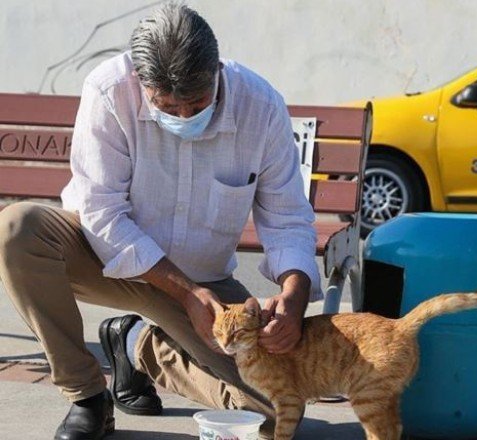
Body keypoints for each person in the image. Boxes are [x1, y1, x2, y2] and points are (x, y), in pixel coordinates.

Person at [0, 3, 321, 439]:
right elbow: (102, 211)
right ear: (141, 81)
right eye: (167, 106)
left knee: (274, 411)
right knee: (18, 229)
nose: (184, 117)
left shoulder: (260, 106)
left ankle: (136, 346)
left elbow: (287, 216)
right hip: (100, 257)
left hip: (203, 280)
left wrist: (294, 294)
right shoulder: (110, 89)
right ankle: (87, 397)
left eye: (198, 103)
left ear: (217, 74)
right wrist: (185, 293)